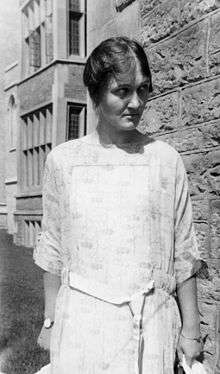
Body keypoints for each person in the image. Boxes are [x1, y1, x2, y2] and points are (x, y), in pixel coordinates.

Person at [34, 36, 204, 374]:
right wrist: (50, 321)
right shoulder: (64, 161)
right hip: (82, 325)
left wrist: (191, 330)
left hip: (149, 326)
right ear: (96, 94)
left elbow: (184, 253)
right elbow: (52, 248)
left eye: (143, 90)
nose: (136, 103)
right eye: (122, 91)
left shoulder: (165, 160)